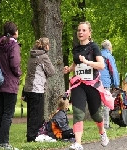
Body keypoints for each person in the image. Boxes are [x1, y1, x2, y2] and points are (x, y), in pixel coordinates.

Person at [63, 21, 112, 150]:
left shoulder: (94, 47)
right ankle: (78, 143)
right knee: (78, 113)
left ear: (89, 33)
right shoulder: (76, 48)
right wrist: (69, 69)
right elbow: (76, 64)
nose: (80, 32)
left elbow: (101, 65)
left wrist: (88, 61)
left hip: (92, 85)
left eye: (84, 30)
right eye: (79, 30)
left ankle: (102, 132)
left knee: (96, 114)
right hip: (79, 84)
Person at [0, 21, 21, 150]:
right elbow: (14, 64)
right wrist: (18, 73)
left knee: (1, 113)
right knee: (8, 114)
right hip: (10, 83)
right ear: (14, 32)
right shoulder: (13, 45)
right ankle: (4, 143)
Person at [24, 37, 55, 142]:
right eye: (49, 45)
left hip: (28, 88)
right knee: (37, 114)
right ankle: (33, 136)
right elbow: (51, 71)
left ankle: (31, 134)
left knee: (31, 113)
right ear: (46, 46)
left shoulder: (32, 55)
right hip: (37, 88)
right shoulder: (43, 56)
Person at [100, 40, 120, 129]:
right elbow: (113, 71)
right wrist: (116, 84)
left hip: (95, 82)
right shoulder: (108, 56)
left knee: (98, 104)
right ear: (109, 47)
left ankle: (99, 124)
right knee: (106, 104)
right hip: (105, 83)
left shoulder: (97, 55)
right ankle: (105, 125)